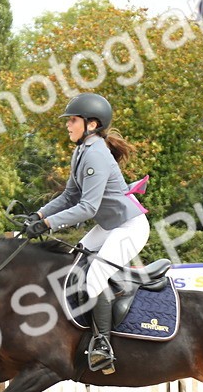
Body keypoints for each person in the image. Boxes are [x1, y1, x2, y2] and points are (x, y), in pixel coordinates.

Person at [20, 92, 148, 373]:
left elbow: (87, 207)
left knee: (95, 276)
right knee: (73, 263)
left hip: (130, 227)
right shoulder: (82, 151)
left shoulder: (97, 154)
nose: (68, 125)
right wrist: (39, 214)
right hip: (111, 226)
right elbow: (69, 196)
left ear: (92, 124)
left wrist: (49, 224)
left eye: (73, 120)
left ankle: (103, 346)